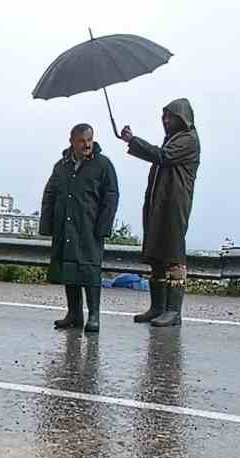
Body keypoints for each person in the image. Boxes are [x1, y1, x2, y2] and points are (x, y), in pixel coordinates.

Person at [121, 98, 200, 327]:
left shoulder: (188, 140)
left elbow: (162, 156)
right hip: (158, 205)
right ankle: (157, 307)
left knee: (174, 257)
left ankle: (173, 311)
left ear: (182, 118)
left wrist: (132, 140)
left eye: (170, 117)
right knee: (156, 256)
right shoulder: (172, 140)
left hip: (174, 206)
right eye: (164, 117)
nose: (165, 121)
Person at [40, 123, 119, 333]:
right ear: (72, 141)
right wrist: (47, 225)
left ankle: (94, 316)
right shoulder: (61, 166)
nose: (86, 145)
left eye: (89, 140)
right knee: (69, 269)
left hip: (89, 228)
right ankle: (74, 314)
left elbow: (111, 196)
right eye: (82, 140)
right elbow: (50, 194)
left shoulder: (103, 165)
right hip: (65, 227)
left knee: (90, 270)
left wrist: (104, 226)